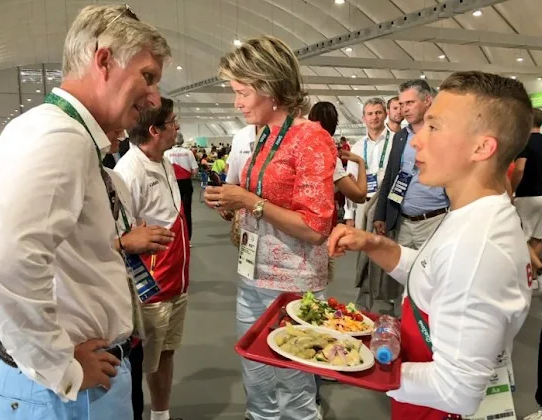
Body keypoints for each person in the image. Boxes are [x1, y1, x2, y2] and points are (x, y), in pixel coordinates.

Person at [0, 5, 171, 419]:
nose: (154, 98)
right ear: (104, 59)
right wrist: (61, 365)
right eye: (147, 77)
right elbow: (3, 263)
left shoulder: (40, 128)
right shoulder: (61, 139)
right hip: (66, 396)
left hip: (57, 386)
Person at [329, 71, 532, 420]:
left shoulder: (477, 248)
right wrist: (374, 243)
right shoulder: (473, 213)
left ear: (482, 147)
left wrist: (351, 363)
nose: (417, 141)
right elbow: (436, 273)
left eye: (434, 127)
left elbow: (456, 391)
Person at [204, 35, 335, 420]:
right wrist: (235, 207)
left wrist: (248, 202)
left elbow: (314, 228)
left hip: (292, 283)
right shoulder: (264, 137)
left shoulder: (311, 138)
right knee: (258, 381)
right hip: (253, 277)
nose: (237, 101)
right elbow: (264, 204)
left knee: (294, 387)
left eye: (242, 92)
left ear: (269, 87)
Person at [115, 98, 189, 420]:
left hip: (176, 281)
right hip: (151, 288)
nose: (178, 127)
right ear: (154, 130)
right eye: (173, 122)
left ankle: (162, 415)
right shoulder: (128, 173)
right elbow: (119, 238)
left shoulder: (165, 162)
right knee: (143, 361)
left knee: (166, 353)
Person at [104, 130, 175, 420]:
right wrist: (123, 243)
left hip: (127, 298)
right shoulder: (127, 170)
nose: (121, 133)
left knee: (131, 379)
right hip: (97, 317)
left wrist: (133, 234)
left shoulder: (112, 178)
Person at [373, 79, 449, 316]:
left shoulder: (444, 135)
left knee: (434, 276)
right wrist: (381, 214)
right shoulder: (401, 137)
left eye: (410, 102)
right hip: (404, 219)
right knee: (403, 276)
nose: (404, 108)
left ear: (428, 101)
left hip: (435, 221)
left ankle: (432, 322)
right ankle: (404, 320)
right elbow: (390, 178)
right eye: (401, 103)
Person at [344, 98, 394, 230]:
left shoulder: (396, 140)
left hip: (387, 204)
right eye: (370, 114)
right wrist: (349, 214)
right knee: (364, 247)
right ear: (363, 118)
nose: (374, 117)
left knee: (386, 246)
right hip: (363, 203)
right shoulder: (357, 147)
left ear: (386, 114)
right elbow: (350, 181)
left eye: (378, 112)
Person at [511, 108, 542, 287]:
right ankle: (533, 279)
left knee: (519, 236)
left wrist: (512, 189)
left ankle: (537, 268)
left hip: (527, 196)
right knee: (537, 237)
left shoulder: (524, 143)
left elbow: (519, 169)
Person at [165, 133, 199, 241]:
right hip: (186, 183)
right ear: (183, 140)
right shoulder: (188, 153)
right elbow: (195, 170)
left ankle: (174, 238)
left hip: (172, 183)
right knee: (187, 211)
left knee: (173, 211)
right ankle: (188, 239)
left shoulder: (166, 153)